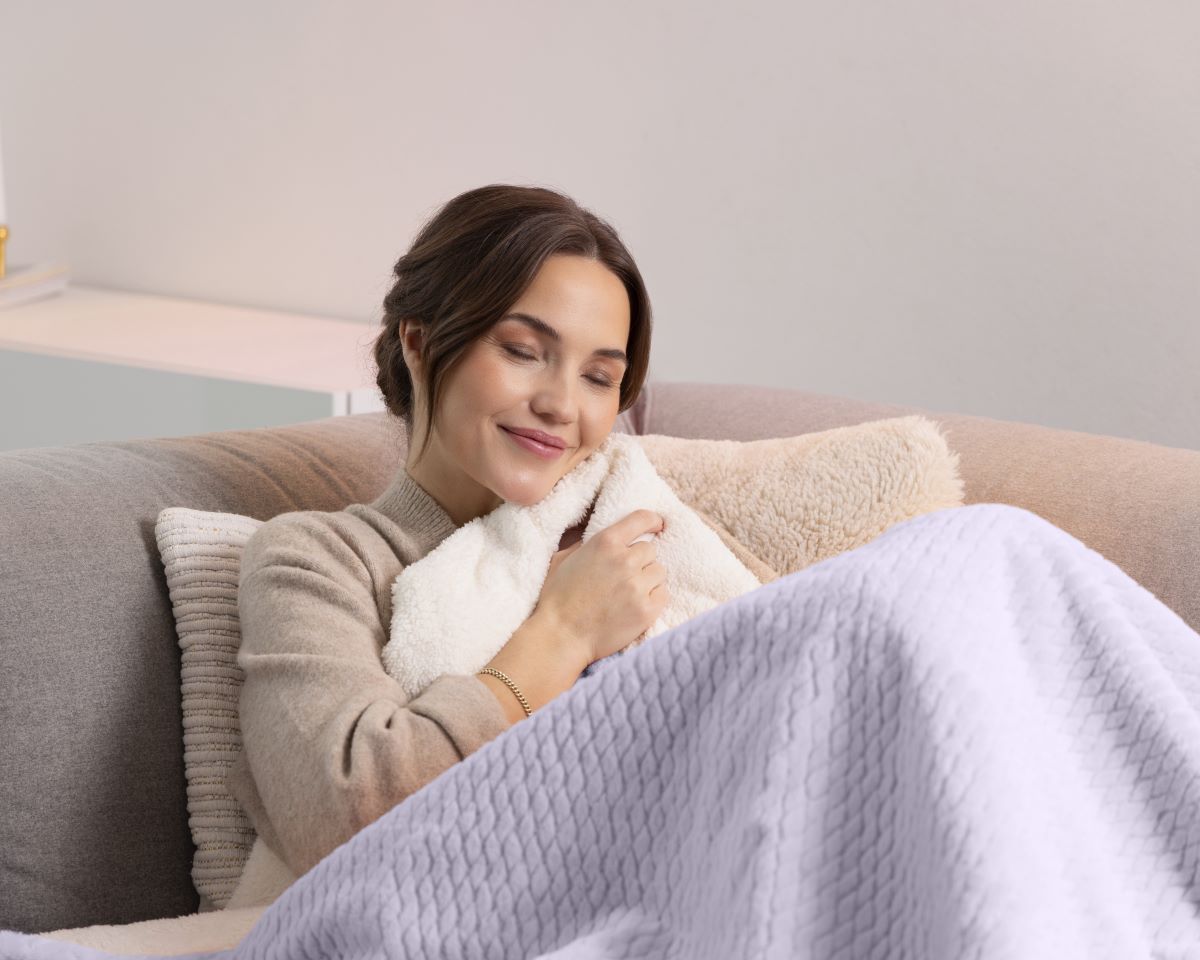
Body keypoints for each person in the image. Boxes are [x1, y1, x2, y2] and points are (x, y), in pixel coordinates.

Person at [225, 183, 773, 888]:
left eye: (599, 376)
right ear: (420, 346)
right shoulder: (321, 560)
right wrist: (564, 632)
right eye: (522, 350)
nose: (560, 404)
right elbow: (341, 814)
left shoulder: (641, 528)